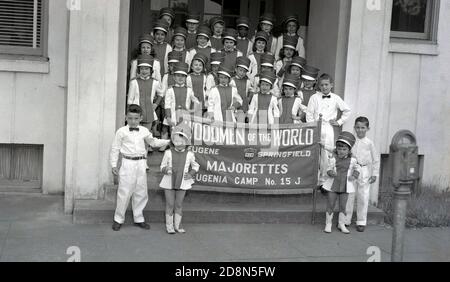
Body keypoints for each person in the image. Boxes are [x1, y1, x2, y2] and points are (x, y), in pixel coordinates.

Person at [110, 104, 171, 231]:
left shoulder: (144, 131)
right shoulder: (121, 132)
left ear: (141, 118)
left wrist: (169, 142)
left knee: (141, 191)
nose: (133, 121)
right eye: (130, 118)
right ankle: (118, 218)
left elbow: (153, 142)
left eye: (136, 118)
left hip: (141, 164)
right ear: (126, 117)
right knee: (124, 192)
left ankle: (139, 217)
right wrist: (114, 164)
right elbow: (115, 148)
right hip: (127, 163)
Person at [306, 73, 351, 186]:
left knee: (327, 154)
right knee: (315, 153)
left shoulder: (336, 98)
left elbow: (347, 111)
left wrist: (339, 122)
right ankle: (314, 180)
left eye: (326, 84)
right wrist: (312, 127)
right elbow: (309, 113)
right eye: (322, 85)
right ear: (319, 86)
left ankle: (324, 182)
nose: (324, 87)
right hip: (316, 127)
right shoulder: (314, 97)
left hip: (328, 128)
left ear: (331, 85)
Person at [160, 121, 199, 234]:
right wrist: (166, 169)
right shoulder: (168, 153)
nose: (178, 143)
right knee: (170, 204)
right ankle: (169, 226)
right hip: (169, 181)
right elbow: (162, 166)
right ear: (172, 140)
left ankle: (177, 225)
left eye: (181, 141)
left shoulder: (190, 154)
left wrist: (191, 173)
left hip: (183, 181)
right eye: (176, 140)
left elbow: (196, 166)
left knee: (178, 204)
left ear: (187, 142)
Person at [345, 117, 380, 232]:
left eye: (363, 128)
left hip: (364, 170)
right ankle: (346, 219)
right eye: (358, 127)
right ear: (354, 128)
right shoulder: (351, 141)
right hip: (352, 169)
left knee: (363, 196)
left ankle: (361, 221)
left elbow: (375, 159)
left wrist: (374, 174)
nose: (360, 130)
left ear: (367, 129)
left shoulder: (369, 143)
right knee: (349, 195)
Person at [322, 132, 360, 234]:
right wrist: (331, 173)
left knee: (343, 206)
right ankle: (328, 224)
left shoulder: (353, 160)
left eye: (344, 149)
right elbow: (328, 169)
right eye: (339, 149)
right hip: (333, 185)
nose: (341, 151)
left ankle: (341, 224)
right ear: (336, 149)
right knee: (331, 204)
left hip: (345, 185)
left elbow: (358, 168)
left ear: (349, 150)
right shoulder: (333, 158)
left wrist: (354, 175)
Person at [128, 55, 163, 144]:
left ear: (151, 71)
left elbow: (161, 93)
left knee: (146, 135)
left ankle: (144, 153)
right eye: (142, 69)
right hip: (136, 112)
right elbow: (130, 99)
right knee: (134, 135)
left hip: (149, 112)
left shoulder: (155, 82)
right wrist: (130, 113)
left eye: (147, 69)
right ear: (138, 70)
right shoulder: (134, 82)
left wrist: (156, 104)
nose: (144, 71)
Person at [164, 62, 200, 129]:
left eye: (183, 76)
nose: (180, 78)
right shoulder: (170, 90)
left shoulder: (189, 90)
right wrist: (168, 117)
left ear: (186, 77)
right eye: (178, 76)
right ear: (174, 77)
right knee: (174, 135)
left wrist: (194, 109)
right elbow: (167, 105)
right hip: (173, 116)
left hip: (186, 117)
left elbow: (195, 100)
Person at [230, 56, 254, 121]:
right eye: (240, 70)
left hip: (245, 105)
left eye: (244, 71)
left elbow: (251, 90)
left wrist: (249, 97)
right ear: (236, 69)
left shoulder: (248, 81)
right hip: (235, 104)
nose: (242, 73)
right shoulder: (232, 81)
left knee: (243, 120)